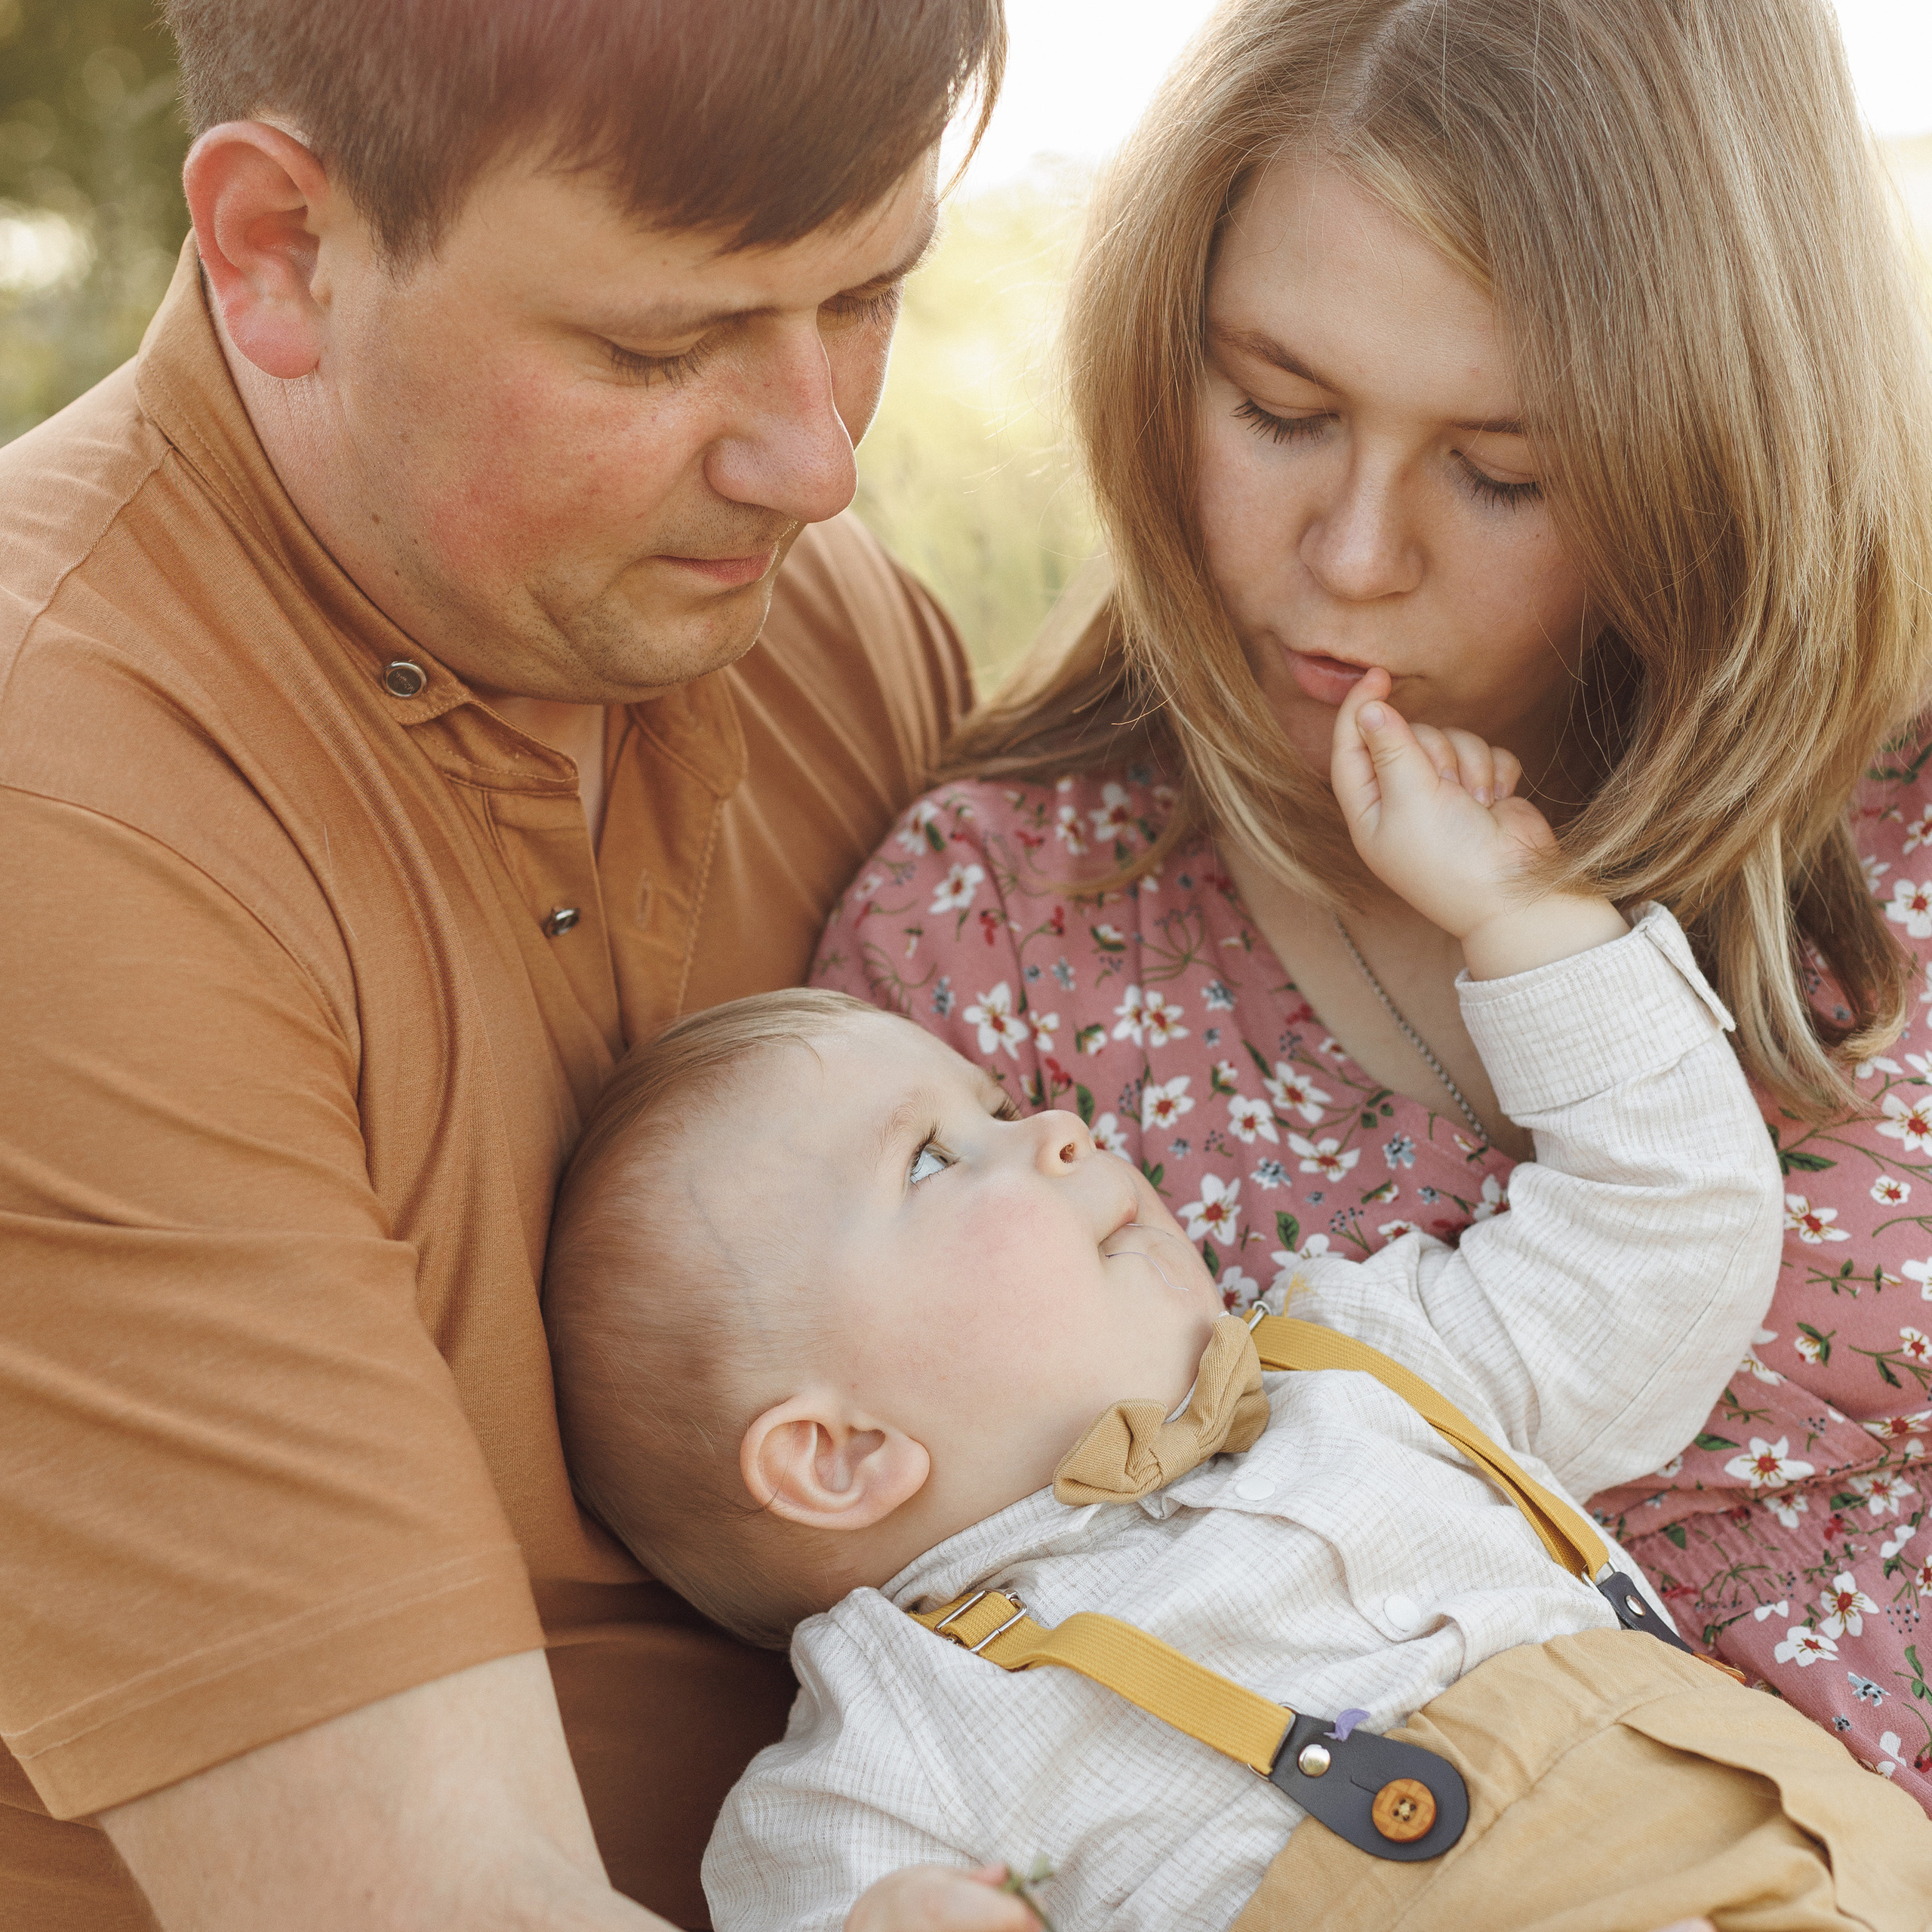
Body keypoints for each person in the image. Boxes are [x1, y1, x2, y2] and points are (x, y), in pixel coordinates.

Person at [813, 0, 1932, 1798]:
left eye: (1502, 472)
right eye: (1277, 410)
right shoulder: (994, 952)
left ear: (1711, 456)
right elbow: (907, 1672)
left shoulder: (1898, 819)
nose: (1349, 556)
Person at [0, 2, 1008, 1927]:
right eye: (659, 345)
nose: (814, 465)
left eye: (866, 300)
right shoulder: (55, 793)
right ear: (277, 248)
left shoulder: (822, 631)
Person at [543, 680, 1927, 1930]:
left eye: (1002, 1101)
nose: (1059, 1131)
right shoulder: (897, 1739)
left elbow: (1666, 1234)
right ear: (837, 1454)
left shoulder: (1361, 1362)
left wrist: (1526, 918)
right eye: (933, 1159)